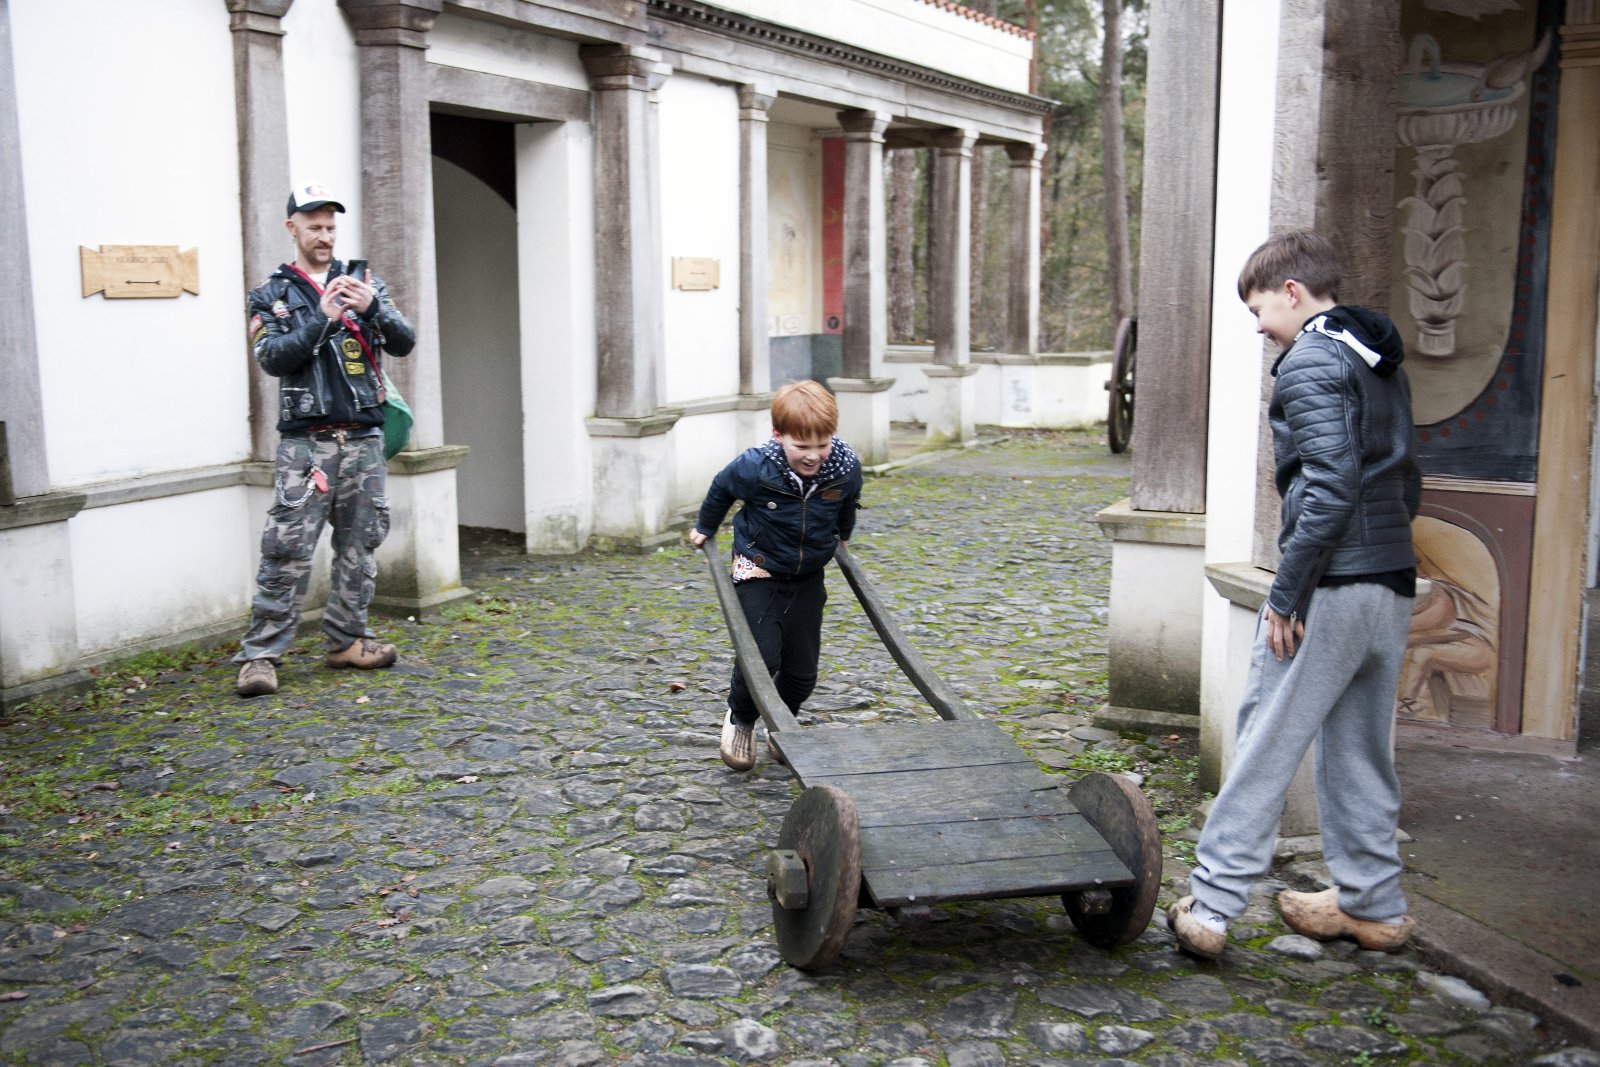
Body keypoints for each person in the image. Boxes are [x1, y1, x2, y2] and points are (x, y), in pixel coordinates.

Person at [1169, 229, 1422, 958]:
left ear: (1292, 291)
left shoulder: (1310, 357)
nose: (1258, 328)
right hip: (1390, 580)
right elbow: (1405, 478)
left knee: (1265, 741)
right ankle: (1372, 906)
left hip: (1332, 584)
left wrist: (1285, 596)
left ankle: (1211, 906)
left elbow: (1332, 487)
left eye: (1259, 309)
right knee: (1360, 749)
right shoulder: (1380, 361)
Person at [233, 181, 416, 697]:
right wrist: (324, 317)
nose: (325, 236)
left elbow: (405, 341)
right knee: (287, 550)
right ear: (292, 229)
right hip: (306, 443)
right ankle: (260, 656)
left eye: (331, 227)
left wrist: (374, 307)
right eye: (314, 227)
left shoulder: (364, 281)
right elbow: (273, 358)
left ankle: (346, 641)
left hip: (363, 436)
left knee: (360, 545)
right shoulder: (271, 294)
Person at [689, 381, 864, 770]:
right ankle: (742, 718)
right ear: (777, 435)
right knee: (762, 658)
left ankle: (782, 719)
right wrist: (706, 526)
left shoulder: (845, 467)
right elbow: (721, 488)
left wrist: (843, 538)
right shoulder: (756, 466)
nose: (813, 456)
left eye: (822, 444)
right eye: (801, 447)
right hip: (758, 567)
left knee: (802, 673)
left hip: (807, 575)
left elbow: (847, 504)